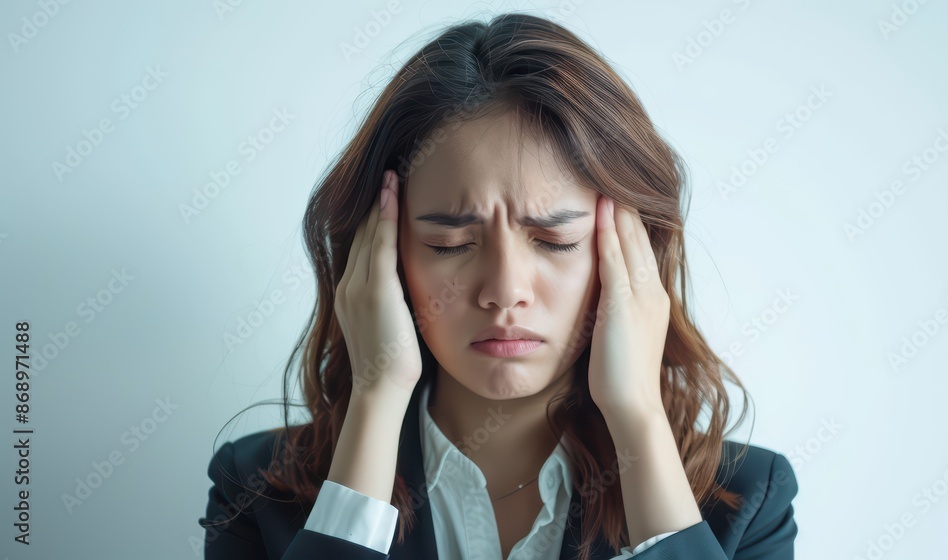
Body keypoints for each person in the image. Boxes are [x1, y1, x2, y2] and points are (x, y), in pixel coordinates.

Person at [198, 12, 798, 560]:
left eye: (556, 241)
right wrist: (376, 394)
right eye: (450, 245)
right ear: (376, 259)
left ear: (634, 257)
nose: (505, 291)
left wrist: (637, 414)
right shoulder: (256, 489)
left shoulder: (744, 504)